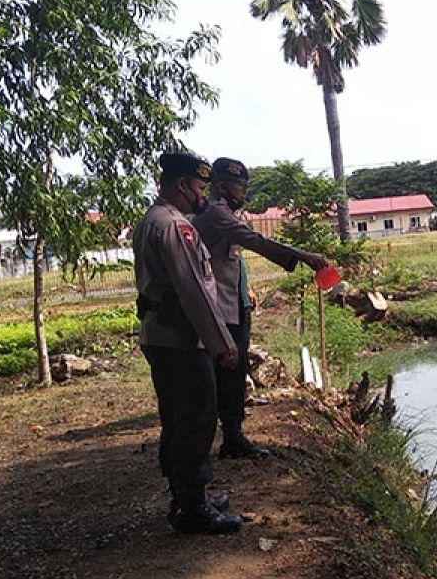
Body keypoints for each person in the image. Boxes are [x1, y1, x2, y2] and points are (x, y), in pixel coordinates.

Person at [133, 153, 242, 535]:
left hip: (161, 334)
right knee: (196, 419)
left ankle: (186, 497)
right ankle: (194, 510)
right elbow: (193, 291)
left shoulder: (150, 219)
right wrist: (222, 344)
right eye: (198, 187)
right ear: (181, 185)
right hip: (180, 338)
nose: (202, 196)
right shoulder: (176, 227)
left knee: (176, 420)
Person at [193, 157, 327, 459]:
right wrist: (301, 254)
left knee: (236, 369)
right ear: (223, 185)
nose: (244, 193)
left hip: (235, 302)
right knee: (228, 369)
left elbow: (232, 259)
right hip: (220, 307)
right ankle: (232, 436)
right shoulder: (215, 214)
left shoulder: (224, 213)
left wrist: (246, 289)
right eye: (240, 186)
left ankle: (233, 430)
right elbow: (254, 240)